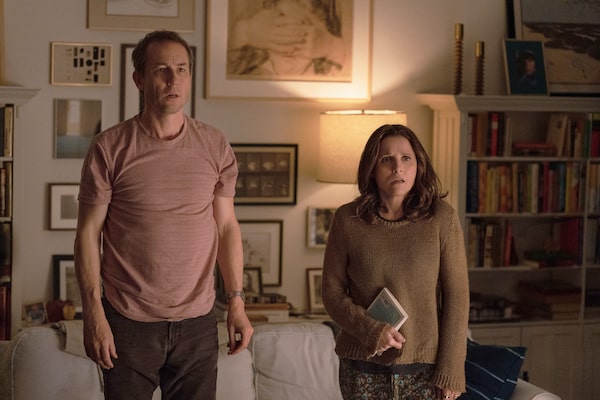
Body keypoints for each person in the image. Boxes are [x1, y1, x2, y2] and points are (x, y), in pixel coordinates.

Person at [74, 30, 253, 400]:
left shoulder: (215, 145)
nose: (174, 79)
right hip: (128, 320)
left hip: (198, 322)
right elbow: (88, 234)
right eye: (162, 69)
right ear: (139, 79)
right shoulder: (110, 147)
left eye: (182, 69)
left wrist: (236, 299)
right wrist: (93, 314)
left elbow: (226, 226)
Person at [322, 124, 469, 400]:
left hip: (425, 370)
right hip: (362, 366)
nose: (397, 168)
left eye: (406, 158)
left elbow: (457, 298)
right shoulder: (347, 220)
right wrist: (370, 330)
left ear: (419, 165)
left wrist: (451, 370)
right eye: (386, 159)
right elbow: (331, 292)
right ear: (372, 169)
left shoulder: (442, 219)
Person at [227, 0, 347, 78]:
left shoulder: (331, 76)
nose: (288, 49)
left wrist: (331, 45)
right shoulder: (251, 75)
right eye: (281, 32)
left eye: (300, 36)